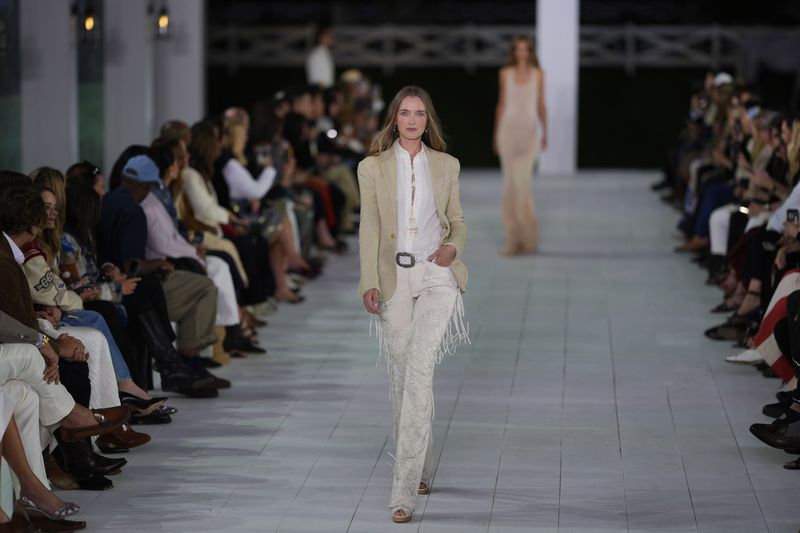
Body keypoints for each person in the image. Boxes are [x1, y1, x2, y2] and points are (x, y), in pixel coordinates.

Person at [358, 85, 469, 523]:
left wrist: (452, 250)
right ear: (394, 119)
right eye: (404, 113)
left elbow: (458, 222)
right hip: (393, 278)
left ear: (428, 120)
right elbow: (369, 228)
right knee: (402, 377)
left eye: (419, 113)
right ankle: (420, 464)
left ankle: (403, 492)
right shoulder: (372, 168)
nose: (411, 120)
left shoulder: (446, 165)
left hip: (435, 275)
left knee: (419, 370)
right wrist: (369, 279)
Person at [493, 35, 547, 256]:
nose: (522, 53)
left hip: (529, 135)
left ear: (530, 51)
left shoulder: (538, 75)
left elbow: (541, 104)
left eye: (525, 49)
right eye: (518, 49)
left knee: (523, 188)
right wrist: (496, 134)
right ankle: (513, 240)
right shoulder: (505, 74)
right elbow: (502, 104)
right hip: (508, 133)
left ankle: (529, 239)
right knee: (509, 188)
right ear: (514, 52)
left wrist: (546, 132)